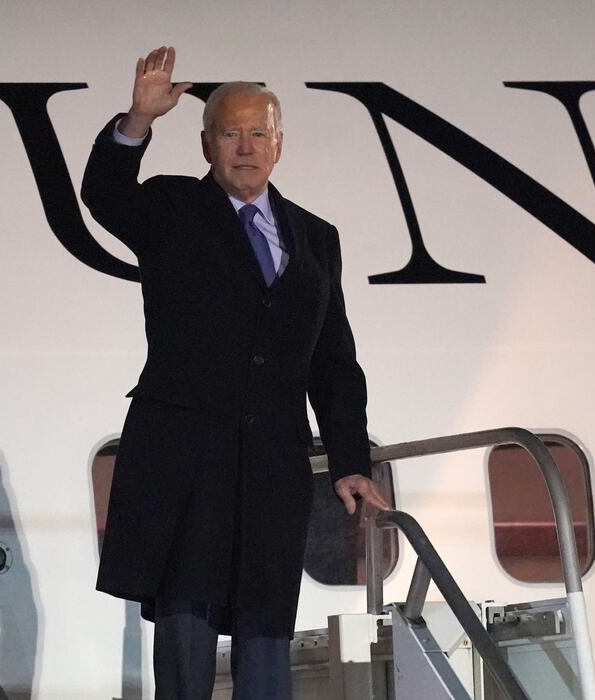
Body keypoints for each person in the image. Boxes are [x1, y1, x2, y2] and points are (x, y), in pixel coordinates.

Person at [81, 46, 389, 700]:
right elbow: (104, 195)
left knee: (265, 637)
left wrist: (351, 460)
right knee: (186, 637)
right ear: (205, 144)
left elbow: (333, 362)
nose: (245, 147)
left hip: (270, 469)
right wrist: (135, 121)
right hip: (185, 464)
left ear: (279, 144)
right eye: (230, 132)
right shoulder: (170, 211)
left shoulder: (315, 237)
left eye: (258, 133)